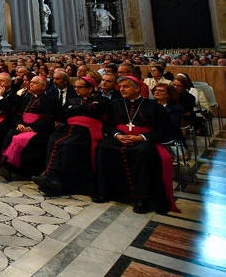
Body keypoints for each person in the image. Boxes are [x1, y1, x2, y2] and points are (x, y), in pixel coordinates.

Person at [94, 76, 180, 214]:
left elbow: (163, 131)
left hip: (143, 141)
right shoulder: (115, 104)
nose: (121, 89)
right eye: (120, 86)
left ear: (137, 88)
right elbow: (107, 125)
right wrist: (118, 135)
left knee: (143, 153)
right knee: (103, 148)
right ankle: (105, 191)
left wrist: (140, 138)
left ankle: (141, 198)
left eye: (125, 86)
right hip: (120, 138)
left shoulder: (154, 107)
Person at [33, 76, 109, 196]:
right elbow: (64, 114)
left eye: (80, 87)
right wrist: (77, 109)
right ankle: (51, 177)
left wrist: (75, 108)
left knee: (65, 144)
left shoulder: (101, 99)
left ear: (90, 89)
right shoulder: (74, 100)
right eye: (75, 87)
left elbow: (93, 110)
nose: (77, 89)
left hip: (87, 130)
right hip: (70, 127)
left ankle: (54, 178)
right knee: (53, 139)